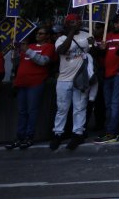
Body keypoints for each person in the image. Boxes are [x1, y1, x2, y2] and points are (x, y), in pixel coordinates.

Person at [9, 25, 55, 149]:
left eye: (41, 33)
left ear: (47, 36)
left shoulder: (49, 47)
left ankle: (29, 136)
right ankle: (19, 137)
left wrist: (27, 50)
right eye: (37, 33)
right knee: (22, 111)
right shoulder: (29, 46)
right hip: (22, 82)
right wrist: (15, 51)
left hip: (35, 83)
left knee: (32, 111)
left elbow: (43, 61)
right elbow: (15, 62)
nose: (38, 35)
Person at [52, 13, 91, 151]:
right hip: (64, 79)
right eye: (72, 22)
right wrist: (71, 33)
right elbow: (61, 50)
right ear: (67, 25)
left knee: (79, 107)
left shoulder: (87, 36)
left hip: (80, 78)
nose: (76, 24)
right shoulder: (61, 39)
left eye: (77, 22)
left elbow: (95, 51)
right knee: (62, 108)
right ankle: (58, 133)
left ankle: (78, 133)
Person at [93, 13, 119, 143]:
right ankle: (111, 128)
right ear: (115, 24)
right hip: (107, 75)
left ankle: (112, 132)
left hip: (118, 75)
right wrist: (101, 49)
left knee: (115, 104)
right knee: (108, 105)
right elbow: (103, 55)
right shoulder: (108, 36)